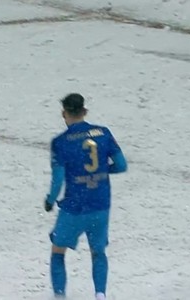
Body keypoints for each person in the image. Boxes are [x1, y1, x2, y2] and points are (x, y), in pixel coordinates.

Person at [44, 93, 127, 299]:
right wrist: (100, 172)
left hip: (74, 207)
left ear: (64, 113)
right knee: (98, 252)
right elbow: (122, 165)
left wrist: (50, 200)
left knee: (58, 250)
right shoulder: (104, 133)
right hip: (100, 204)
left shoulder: (60, 142)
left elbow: (58, 179)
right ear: (85, 111)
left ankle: (60, 295)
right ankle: (100, 294)